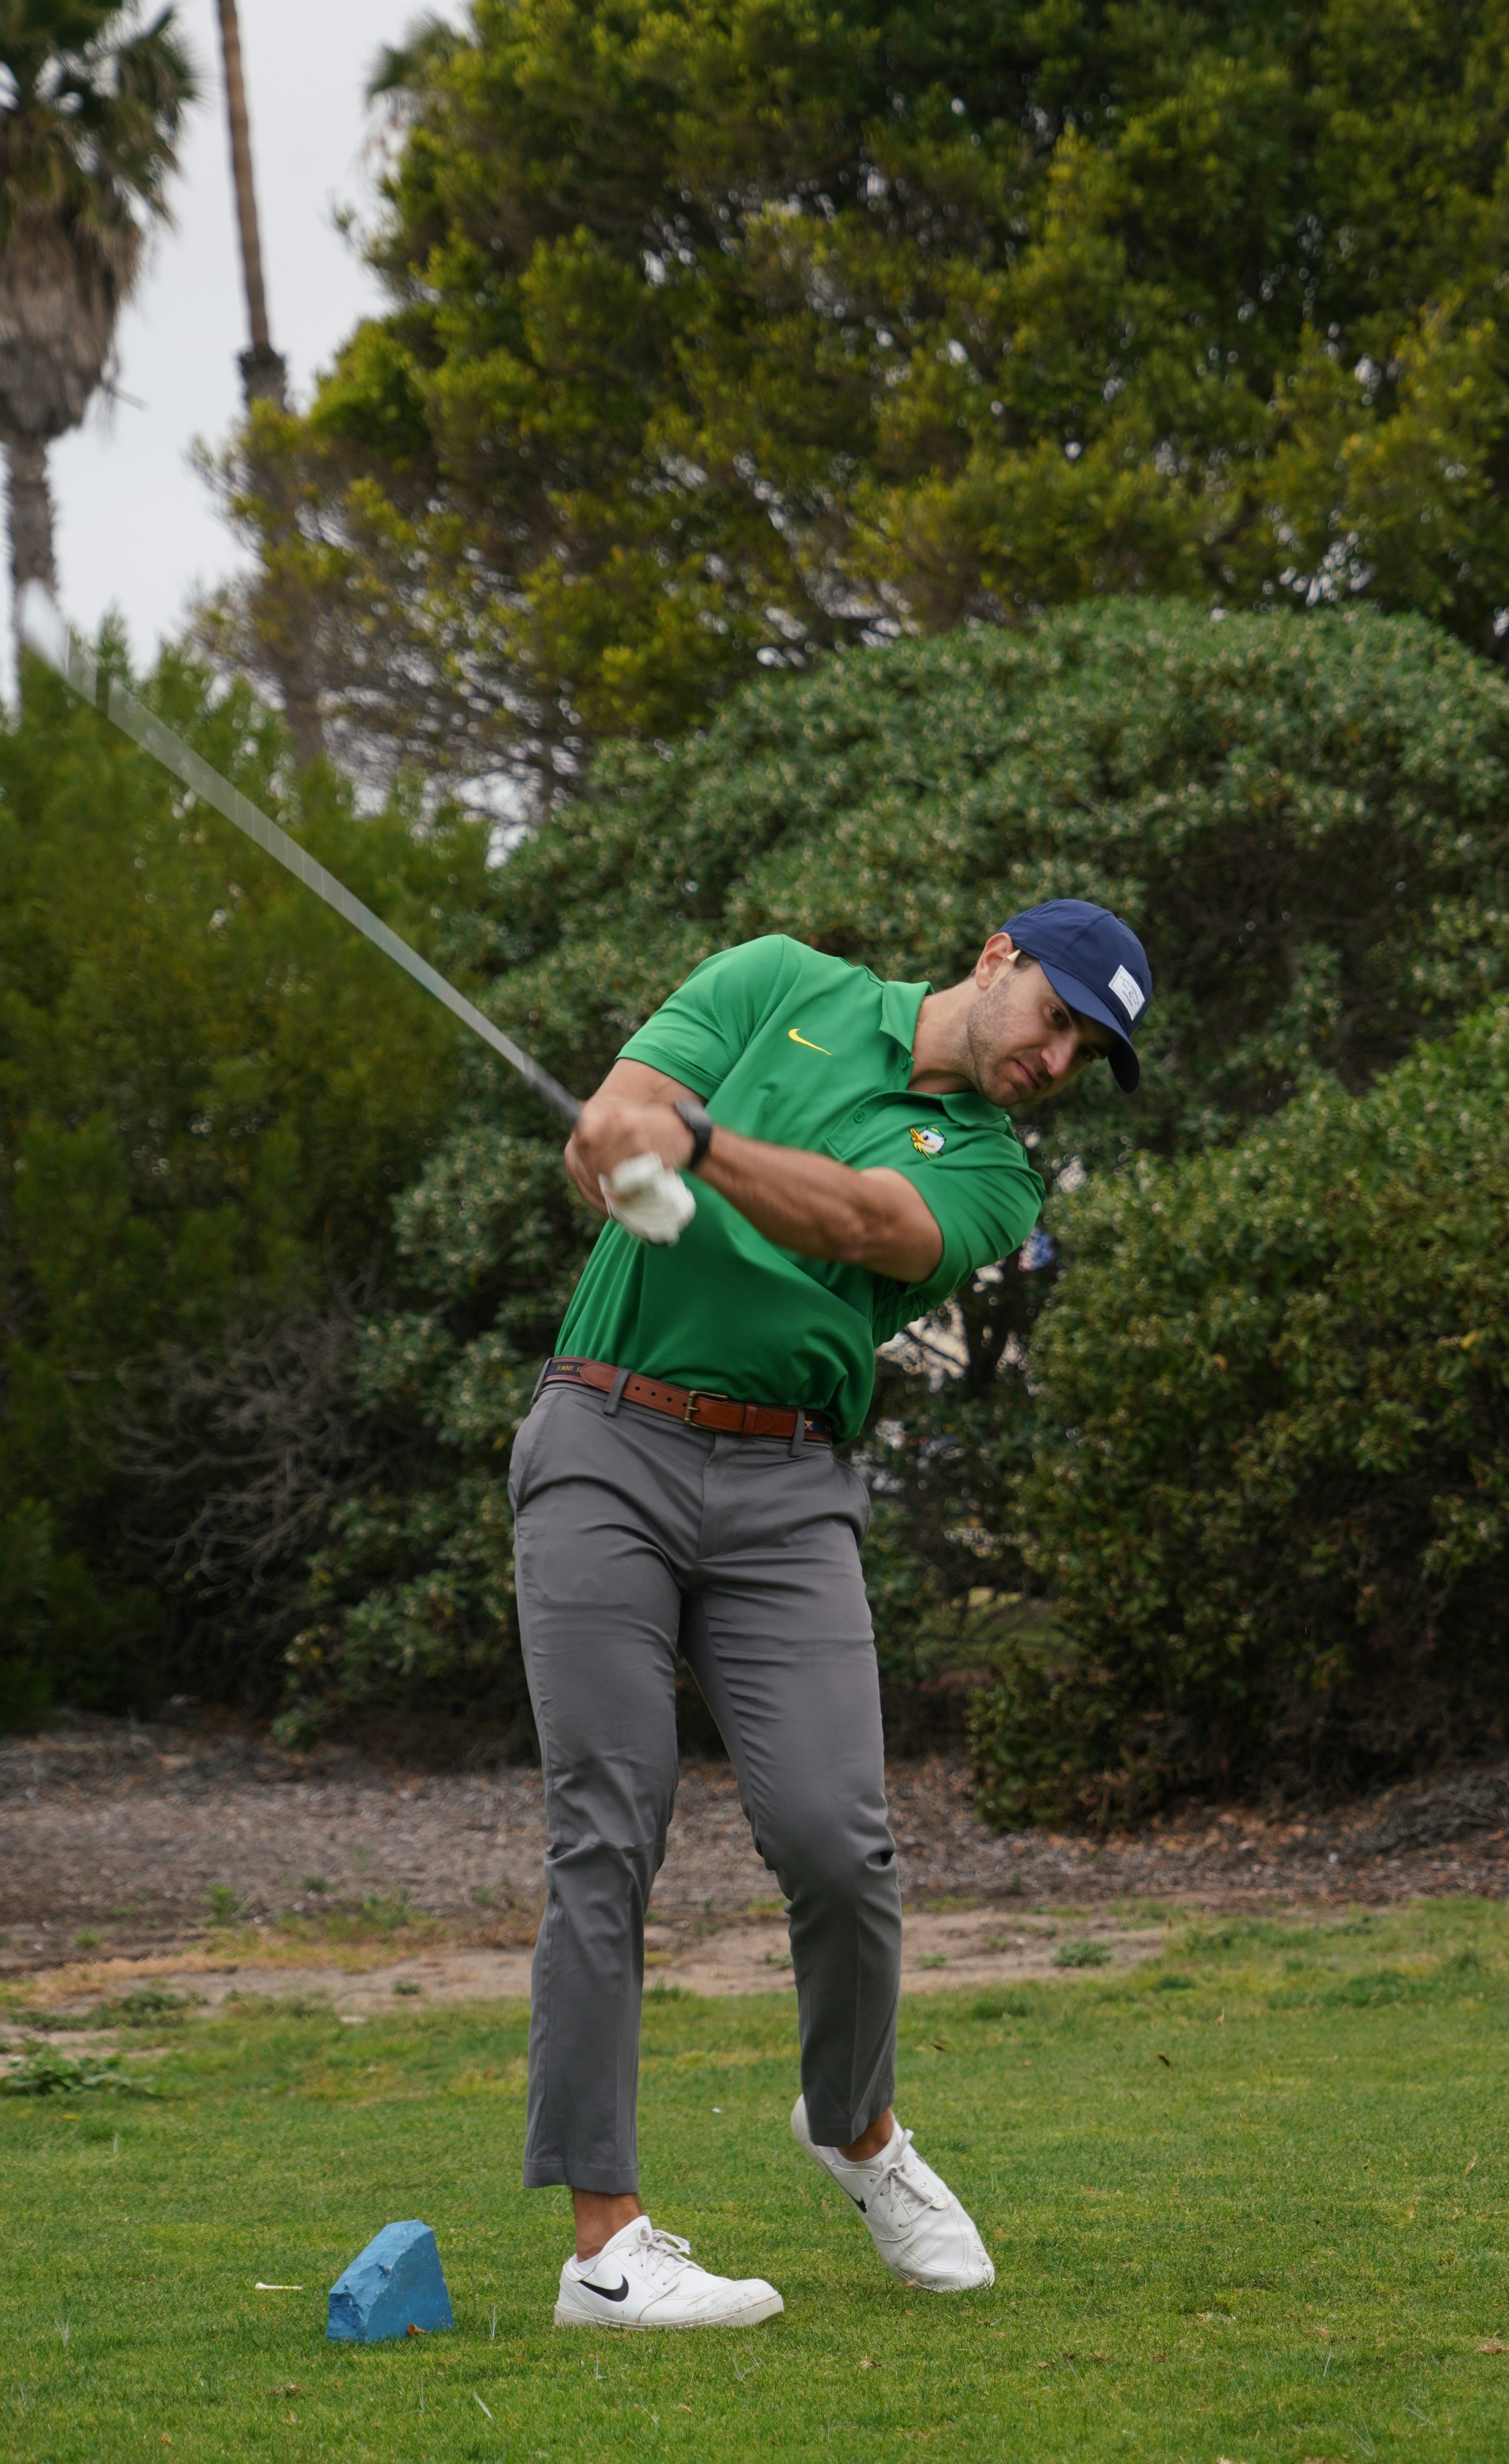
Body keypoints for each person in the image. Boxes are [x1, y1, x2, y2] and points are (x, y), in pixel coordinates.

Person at [510, 898, 1154, 2331]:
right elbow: (608, 1125)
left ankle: (852, 2125)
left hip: (786, 1488)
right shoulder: (771, 982)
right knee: (607, 1825)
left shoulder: (996, 1174)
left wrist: (702, 1151)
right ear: (998, 956)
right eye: (1055, 1015)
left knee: (838, 1844)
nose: (1055, 1058)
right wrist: (632, 1164)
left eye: (1085, 1053)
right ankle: (607, 2250)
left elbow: (868, 1220)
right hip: (604, 1435)